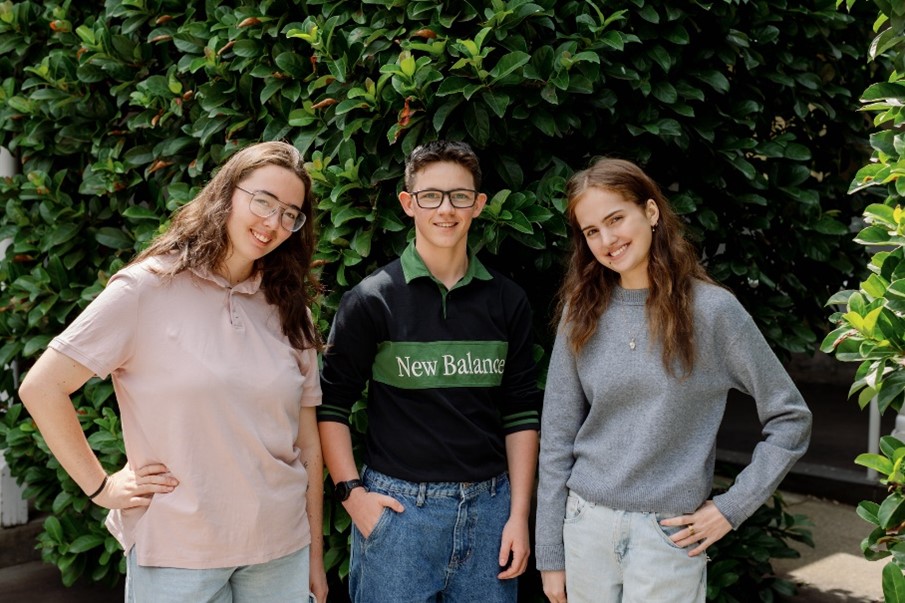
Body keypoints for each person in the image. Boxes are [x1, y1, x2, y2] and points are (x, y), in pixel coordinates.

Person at [17, 141, 328, 603]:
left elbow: (307, 445)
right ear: (227, 193)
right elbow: (42, 387)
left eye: (290, 213)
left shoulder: (290, 309)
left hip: (280, 551)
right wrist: (100, 486)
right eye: (262, 201)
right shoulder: (146, 288)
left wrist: (314, 557)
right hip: (178, 555)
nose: (273, 222)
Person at [534, 157, 812, 603]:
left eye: (615, 219)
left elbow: (791, 419)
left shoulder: (713, 312)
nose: (607, 240)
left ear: (650, 211)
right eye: (591, 232)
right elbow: (557, 437)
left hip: (666, 537)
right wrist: (550, 555)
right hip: (585, 527)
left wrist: (730, 509)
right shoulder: (581, 311)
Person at [317, 139, 542, 602]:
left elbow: (520, 414)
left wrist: (518, 513)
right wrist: (352, 496)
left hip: (490, 514)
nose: (446, 209)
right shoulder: (371, 299)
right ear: (408, 204)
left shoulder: (507, 301)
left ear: (478, 205)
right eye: (430, 196)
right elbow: (332, 406)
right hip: (399, 514)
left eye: (460, 196)